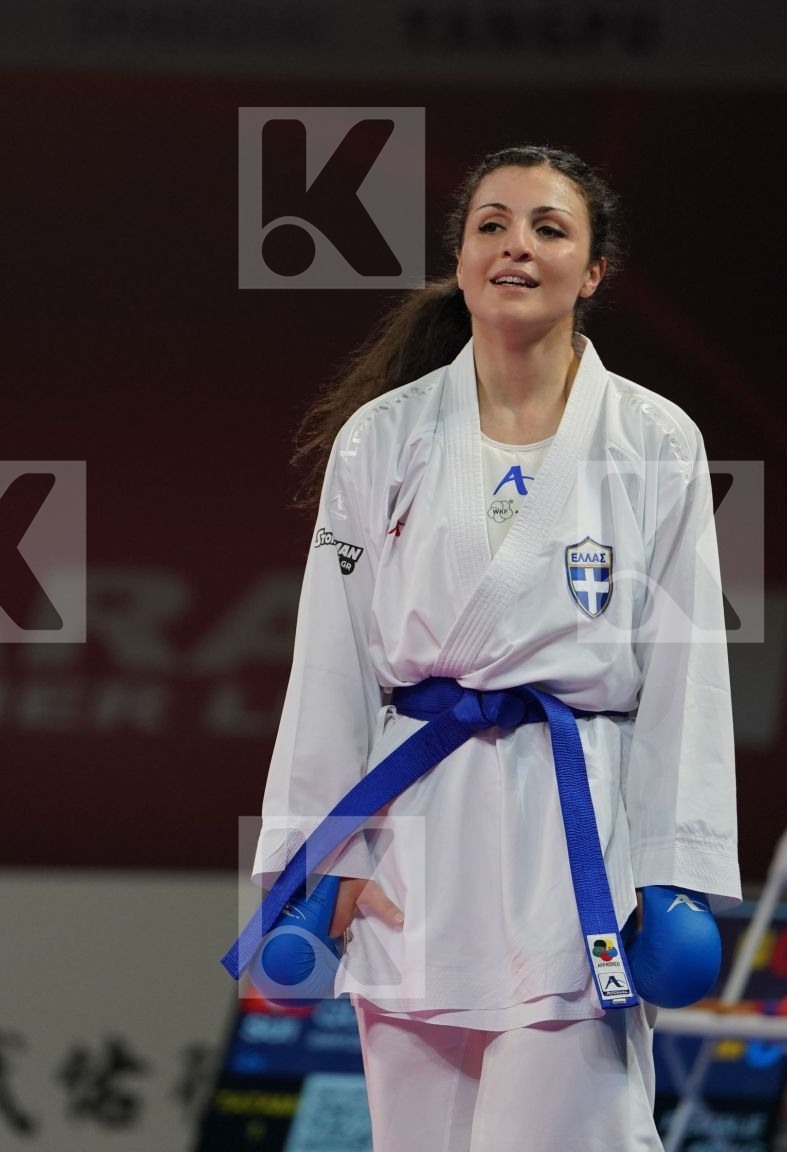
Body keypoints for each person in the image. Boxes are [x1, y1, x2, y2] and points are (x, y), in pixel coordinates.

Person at [240, 145, 741, 1150]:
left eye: (550, 229)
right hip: (417, 834)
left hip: (575, 837)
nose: (518, 246)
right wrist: (323, 856)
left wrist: (669, 870)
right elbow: (331, 659)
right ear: (461, 259)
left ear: (593, 272)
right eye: (492, 226)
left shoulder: (655, 441)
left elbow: (688, 671)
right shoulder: (382, 439)